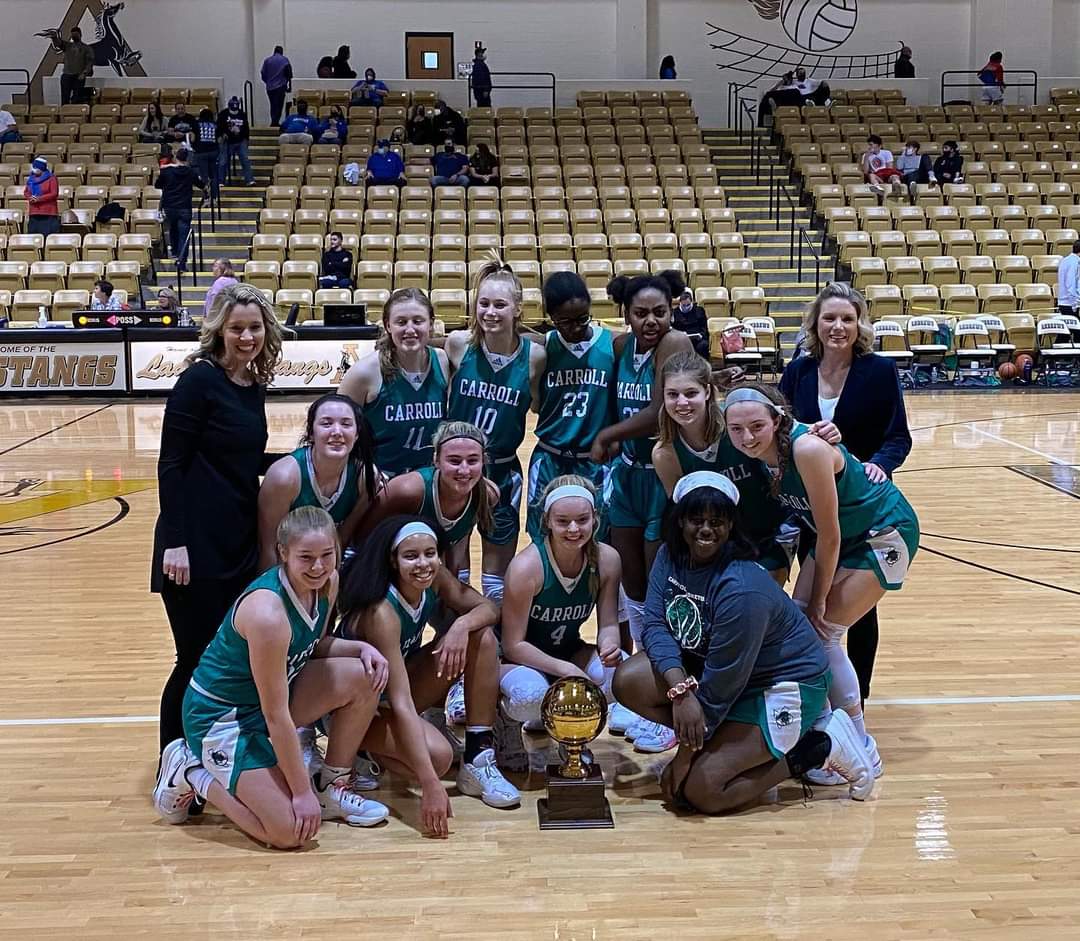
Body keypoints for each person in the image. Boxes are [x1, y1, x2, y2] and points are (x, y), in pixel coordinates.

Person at [612, 472, 875, 814]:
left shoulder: (741, 588)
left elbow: (722, 684)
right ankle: (727, 743)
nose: (706, 529)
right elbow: (655, 625)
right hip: (721, 674)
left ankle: (818, 745)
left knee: (703, 792)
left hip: (781, 684)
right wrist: (679, 691)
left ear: (731, 526)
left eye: (717, 521)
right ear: (679, 522)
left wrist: (685, 757)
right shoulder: (669, 556)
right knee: (628, 680)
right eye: (696, 519)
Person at [152, 506, 391, 842]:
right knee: (289, 832)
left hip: (267, 700)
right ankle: (189, 770)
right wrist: (299, 793)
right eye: (306, 557)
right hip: (221, 716)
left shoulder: (328, 582)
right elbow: (276, 715)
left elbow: (314, 644)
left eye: (327, 554)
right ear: (283, 553)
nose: (319, 566)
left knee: (365, 675)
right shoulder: (267, 614)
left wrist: (360, 649)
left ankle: (330, 784)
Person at [722, 382, 920, 787]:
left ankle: (861, 745)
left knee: (824, 630)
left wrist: (818, 602)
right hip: (843, 534)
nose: (746, 437)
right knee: (798, 626)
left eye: (756, 426)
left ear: (777, 420)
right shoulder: (763, 453)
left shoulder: (806, 449)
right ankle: (821, 732)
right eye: (736, 429)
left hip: (883, 532)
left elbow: (828, 537)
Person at [152, 284, 284, 758]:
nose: (246, 337)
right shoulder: (199, 381)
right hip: (192, 545)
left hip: (236, 540)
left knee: (224, 660)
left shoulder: (252, 385)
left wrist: (302, 458)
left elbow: (242, 457)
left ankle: (213, 756)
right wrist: (176, 542)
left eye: (254, 327)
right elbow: (171, 463)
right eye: (236, 328)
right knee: (191, 658)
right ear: (219, 331)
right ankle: (173, 760)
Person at [778, 282, 913, 711]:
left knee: (855, 610)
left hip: (862, 505)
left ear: (860, 325)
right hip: (812, 507)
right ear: (815, 324)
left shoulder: (879, 371)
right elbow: (782, 427)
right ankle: (820, 690)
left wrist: (880, 463)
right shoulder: (798, 370)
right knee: (816, 598)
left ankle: (858, 694)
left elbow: (899, 437)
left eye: (848, 319)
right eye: (830, 318)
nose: (838, 326)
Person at [339, 516, 520, 825]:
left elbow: (490, 608)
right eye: (411, 556)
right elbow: (402, 702)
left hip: (392, 690)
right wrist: (429, 784)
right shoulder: (382, 612)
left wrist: (460, 626)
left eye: (430, 553)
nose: (423, 563)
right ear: (393, 561)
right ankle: (361, 752)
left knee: (482, 638)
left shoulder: (434, 578)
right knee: (438, 759)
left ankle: (478, 756)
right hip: (353, 711)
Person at [589, 272, 693, 664]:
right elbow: (619, 400)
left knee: (657, 581)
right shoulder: (620, 346)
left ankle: (663, 666)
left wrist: (605, 435)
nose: (651, 321)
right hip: (628, 473)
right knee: (629, 580)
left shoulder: (674, 342)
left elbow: (656, 412)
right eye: (641, 313)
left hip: (661, 473)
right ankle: (638, 670)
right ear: (626, 314)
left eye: (660, 312)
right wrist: (615, 437)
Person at [499, 476, 637, 755]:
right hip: (518, 661)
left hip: (568, 650)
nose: (574, 529)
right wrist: (565, 670)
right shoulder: (527, 567)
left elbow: (609, 622)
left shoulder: (607, 559)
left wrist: (609, 644)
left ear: (595, 518)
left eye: (582, 520)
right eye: (563, 521)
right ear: (547, 520)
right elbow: (513, 645)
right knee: (530, 697)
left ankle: (568, 730)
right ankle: (503, 720)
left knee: (621, 674)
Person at [652, 350, 802, 588]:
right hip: (718, 545)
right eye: (672, 394)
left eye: (691, 393)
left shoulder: (737, 428)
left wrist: (823, 431)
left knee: (757, 607)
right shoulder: (665, 453)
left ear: (708, 392)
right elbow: (687, 515)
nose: (682, 403)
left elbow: (788, 434)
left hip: (768, 535)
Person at [446, 258, 545, 604]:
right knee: (454, 569)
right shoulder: (459, 345)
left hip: (503, 470)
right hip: (456, 472)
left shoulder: (535, 357)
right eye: (483, 303)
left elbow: (539, 405)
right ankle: (452, 642)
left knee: (496, 580)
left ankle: (497, 647)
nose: (490, 312)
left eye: (500, 304)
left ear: (518, 309)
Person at [525, 271, 615, 538]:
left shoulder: (611, 344)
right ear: (550, 317)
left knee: (597, 535)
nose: (575, 327)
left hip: (594, 460)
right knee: (541, 533)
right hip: (551, 456)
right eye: (565, 321)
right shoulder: (542, 347)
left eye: (582, 319)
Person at [355, 421, 492, 587]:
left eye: (472, 461)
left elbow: (456, 547)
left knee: (486, 609)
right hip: (386, 570)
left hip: (430, 573)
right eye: (454, 461)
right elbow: (362, 537)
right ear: (436, 460)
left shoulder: (488, 495)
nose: (464, 470)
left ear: (483, 461)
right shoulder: (407, 490)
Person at [258, 393, 381, 570]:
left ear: (356, 435)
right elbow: (268, 548)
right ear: (311, 433)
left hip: (327, 566)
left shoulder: (366, 476)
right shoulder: (284, 478)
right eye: (326, 423)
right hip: (286, 568)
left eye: (346, 424)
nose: (337, 432)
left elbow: (342, 539)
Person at [339, 288, 449, 477]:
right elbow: (338, 429)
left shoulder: (442, 361)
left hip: (430, 480)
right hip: (380, 481)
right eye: (401, 322)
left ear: (431, 324)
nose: (410, 329)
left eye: (418, 321)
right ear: (388, 326)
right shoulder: (363, 372)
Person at [155, 148, 204, 272]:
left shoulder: (167, 171)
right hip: (184, 207)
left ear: (176, 157)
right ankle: (181, 262)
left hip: (170, 206)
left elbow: (157, 185)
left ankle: (175, 252)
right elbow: (201, 185)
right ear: (187, 159)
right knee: (184, 235)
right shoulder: (191, 172)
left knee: (173, 228)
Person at [217, 97, 255, 187]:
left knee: (245, 159)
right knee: (223, 161)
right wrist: (221, 135)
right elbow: (218, 127)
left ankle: (249, 180)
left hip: (240, 140)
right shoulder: (223, 114)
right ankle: (220, 181)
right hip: (227, 141)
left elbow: (246, 128)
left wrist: (246, 139)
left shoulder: (242, 114)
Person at [55, 27, 95, 106]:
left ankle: (75, 113)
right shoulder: (67, 46)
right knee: (65, 97)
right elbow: (58, 44)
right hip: (67, 74)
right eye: (73, 35)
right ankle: (65, 112)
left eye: (76, 34)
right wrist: (54, 38)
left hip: (79, 76)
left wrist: (84, 73)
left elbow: (89, 63)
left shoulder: (87, 48)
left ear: (80, 35)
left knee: (77, 98)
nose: (74, 36)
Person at [24, 157, 60, 238]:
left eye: (36, 167)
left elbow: (54, 193)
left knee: (47, 237)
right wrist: (30, 197)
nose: (34, 169)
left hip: (48, 213)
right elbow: (26, 191)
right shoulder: (31, 179)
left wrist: (39, 199)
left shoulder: (52, 178)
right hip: (34, 213)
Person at [191, 108, 221, 203]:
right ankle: (215, 198)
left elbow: (192, 139)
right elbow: (220, 140)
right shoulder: (216, 124)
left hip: (201, 152)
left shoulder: (196, 124)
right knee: (214, 176)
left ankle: (207, 197)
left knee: (204, 177)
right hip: (213, 152)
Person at [261, 45, 293, 128]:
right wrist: (289, 85)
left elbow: (263, 73)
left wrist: (267, 82)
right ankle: (275, 122)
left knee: (273, 104)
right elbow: (289, 73)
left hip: (270, 87)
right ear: (281, 51)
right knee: (279, 105)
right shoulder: (284, 60)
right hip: (280, 86)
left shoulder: (267, 60)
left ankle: (273, 120)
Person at [672, 288, 709, 357]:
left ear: (692, 302)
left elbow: (704, 327)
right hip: (681, 340)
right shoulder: (675, 312)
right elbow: (673, 329)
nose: (686, 307)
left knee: (703, 345)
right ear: (680, 303)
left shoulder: (699, 311)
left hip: (698, 339)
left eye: (688, 305)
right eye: (683, 305)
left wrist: (701, 335)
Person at [1058, 240, 1080, 317]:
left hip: (1065, 303)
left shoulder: (1065, 260)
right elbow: (1071, 284)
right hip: (1071, 305)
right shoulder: (1075, 262)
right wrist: (1074, 305)